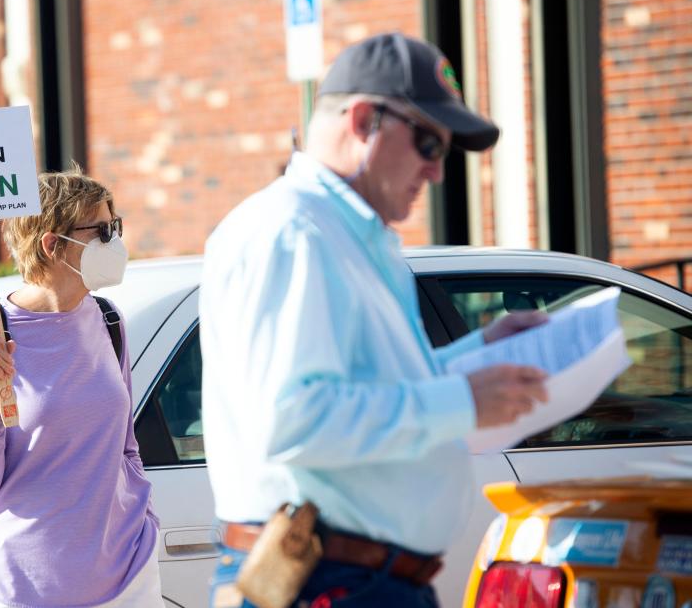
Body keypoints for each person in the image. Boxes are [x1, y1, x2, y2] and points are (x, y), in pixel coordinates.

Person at [199, 33, 549, 607]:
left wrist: (478, 352)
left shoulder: (340, 233)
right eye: (430, 145)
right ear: (364, 119)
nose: (437, 174)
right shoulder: (294, 232)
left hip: (353, 579)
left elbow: (360, 392)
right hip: (326, 579)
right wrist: (462, 399)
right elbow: (294, 419)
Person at [0, 168, 162, 608]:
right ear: (52, 244)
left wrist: (141, 516)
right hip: (24, 585)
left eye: (115, 226)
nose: (115, 241)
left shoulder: (108, 320)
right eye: (103, 230)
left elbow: (126, 444)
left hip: (125, 575)